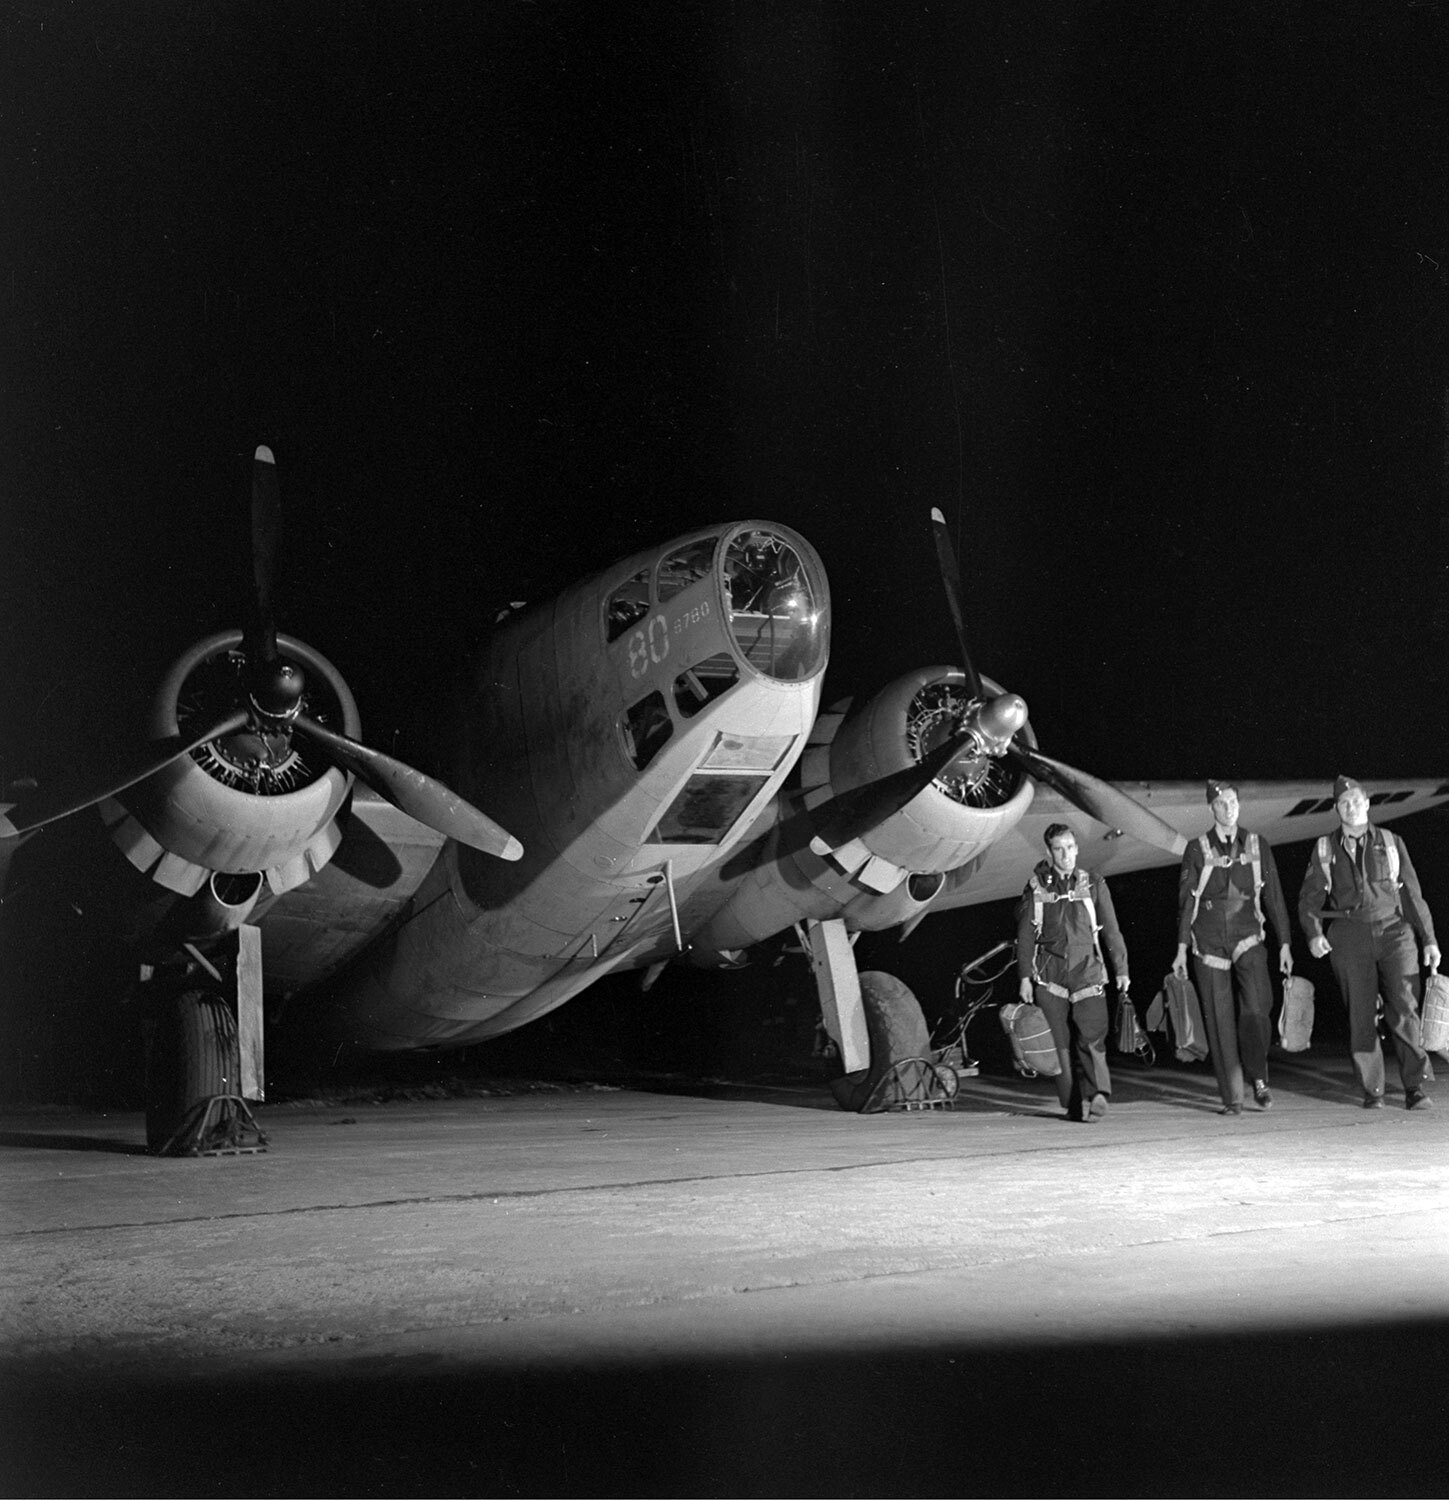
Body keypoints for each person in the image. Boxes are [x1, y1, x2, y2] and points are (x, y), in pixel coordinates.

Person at [1298, 775, 1441, 1110]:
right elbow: (1308, 900)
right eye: (1344, 803)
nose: (1352, 807)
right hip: (1349, 934)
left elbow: (1413, 895)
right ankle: (1372, 1088)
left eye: (1357, 801)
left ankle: (1415, 1087)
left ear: (1368, 803)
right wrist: (1314, 934)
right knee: (1361, 1015)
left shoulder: (1391, 842)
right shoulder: (1324, 848)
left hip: (1395, 931)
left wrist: (1429, 940)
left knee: (1405, 1007)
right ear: (1336, 809)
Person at [1172, 779, 1293, 1115]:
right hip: (1208, 941)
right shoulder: (1197, 849)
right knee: (1220, 1021)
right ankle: (1233, 1098)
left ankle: (1258, 1076)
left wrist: (1285, 943)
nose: (1229, 808)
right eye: (1222, 803)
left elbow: (1275, 897)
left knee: (1257, 1008)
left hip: (1248, 935)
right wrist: (1182, 948)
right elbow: (1186, 903)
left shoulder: (1258, 844)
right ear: (1211, 808)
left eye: (1233, 802)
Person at [1015, 823, 1130, 1122]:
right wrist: (1024, 976)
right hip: (1049, 976)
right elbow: (1026, 935)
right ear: (1050, 852)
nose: (1065, 854)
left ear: (1077, 848)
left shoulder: (1093, 883)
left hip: (1087, 971)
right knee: (1059, 1045)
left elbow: (1113, 931)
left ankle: (1099, 1094)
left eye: (1070, 847)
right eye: (1058, 849)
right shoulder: (1037, 887)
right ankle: (1073, 1104)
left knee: (1092, 1036)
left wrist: (1121, 968)